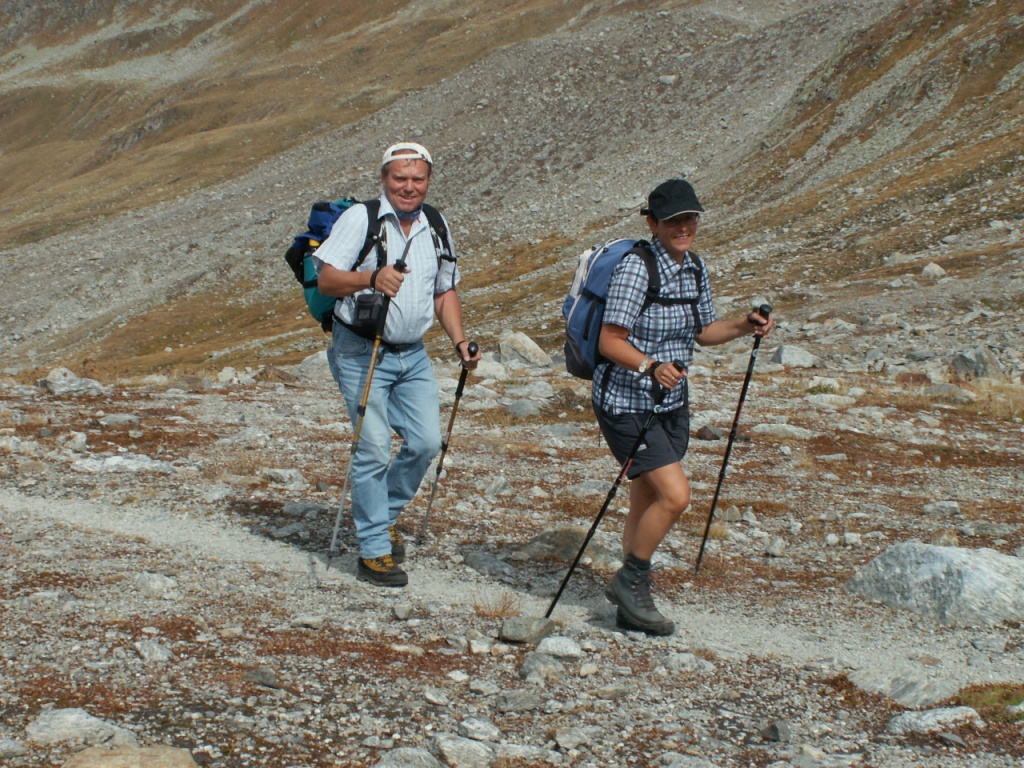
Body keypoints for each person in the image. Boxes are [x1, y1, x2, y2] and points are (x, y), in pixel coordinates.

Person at [594, 178, 773, 635]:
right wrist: (651, 366)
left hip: (671, 402)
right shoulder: (637, 269)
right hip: (626, 401)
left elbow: (703, 331)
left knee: (647, 494)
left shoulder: (695, 267)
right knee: (675, 496)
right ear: (653, 223)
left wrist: (744, 325)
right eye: (673, 220)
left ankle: (630, 602)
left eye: (690, 218)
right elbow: (609, 341)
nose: (684, 227)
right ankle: (630, 579)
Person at [314, 142, 481, 587]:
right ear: (384, 178)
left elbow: (443, 290)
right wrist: (371, 277)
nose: (409, 187)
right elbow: (326, 279)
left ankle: (382, 515)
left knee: (425, 444)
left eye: (417, 178)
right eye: (400, 178)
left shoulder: (436, 225)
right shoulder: (361, 219)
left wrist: (459, 341)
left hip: (413, 353)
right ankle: (373, 550)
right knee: (371, 450)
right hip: (360, 350)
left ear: (428, 180)